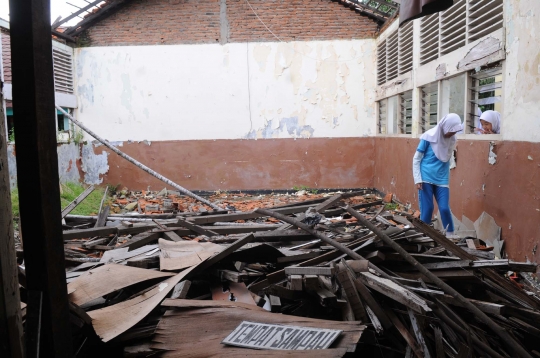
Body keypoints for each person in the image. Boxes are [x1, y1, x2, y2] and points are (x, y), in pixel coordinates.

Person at [412, 113, 464, 239]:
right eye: (451, 130)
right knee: (428, 208)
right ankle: (424, 235)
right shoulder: (428, 137)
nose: (452, 134)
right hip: (426, 177)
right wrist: (417, 178)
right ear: (445, 126)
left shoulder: (452, 140)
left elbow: (449, 158)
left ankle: (450, 235)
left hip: (442, 178)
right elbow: (417, 158)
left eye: (455, 131)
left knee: (444, 208)